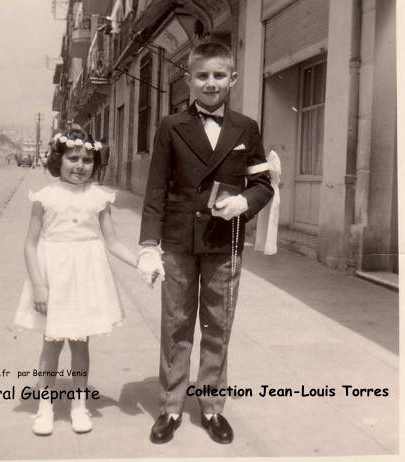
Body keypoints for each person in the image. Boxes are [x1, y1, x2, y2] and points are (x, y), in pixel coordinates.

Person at [137, 41, 274, 445]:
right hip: (179, 243)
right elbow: (155, 189)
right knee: (176, 326)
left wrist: (244, 202)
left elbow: (263, 184)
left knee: (217, 327)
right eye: (202, 76)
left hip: (223, 242)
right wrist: (148, 243)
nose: (210, 83)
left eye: (218, 75)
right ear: (188, 80)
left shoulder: (245, 127)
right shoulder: (170, 125)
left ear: (232, 79)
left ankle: (212, 406)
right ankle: (170, 407)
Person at [14, 129, 142, 436]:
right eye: (73, 158)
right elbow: (30, 244)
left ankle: (78, 405)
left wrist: (142, 261)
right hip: (53, 277)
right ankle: (44, 407)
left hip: (86, 277)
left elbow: (113, 243)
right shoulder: (45, 197)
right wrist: (39, 285)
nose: (80, 165)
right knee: (51, 343)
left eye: (87, 160)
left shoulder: (98, 198)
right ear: (58, 160)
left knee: (80, 343)